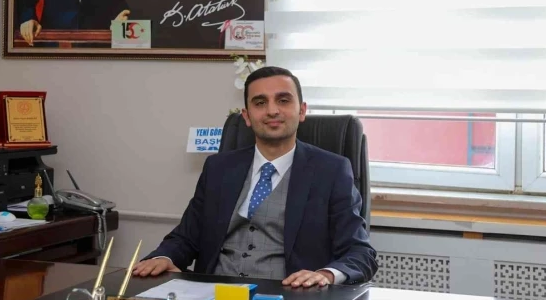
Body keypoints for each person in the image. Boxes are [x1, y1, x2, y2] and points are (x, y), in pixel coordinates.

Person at [132, 66, 377, 287]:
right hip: (213, 297)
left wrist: (326, 275)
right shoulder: (219, 168)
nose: (272, 110)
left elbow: (360, 253)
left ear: (302, 110)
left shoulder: (331, 171)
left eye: (283, 100)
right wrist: (164, 257)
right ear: (247, 116)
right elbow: (186, 237)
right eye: (260, 103)